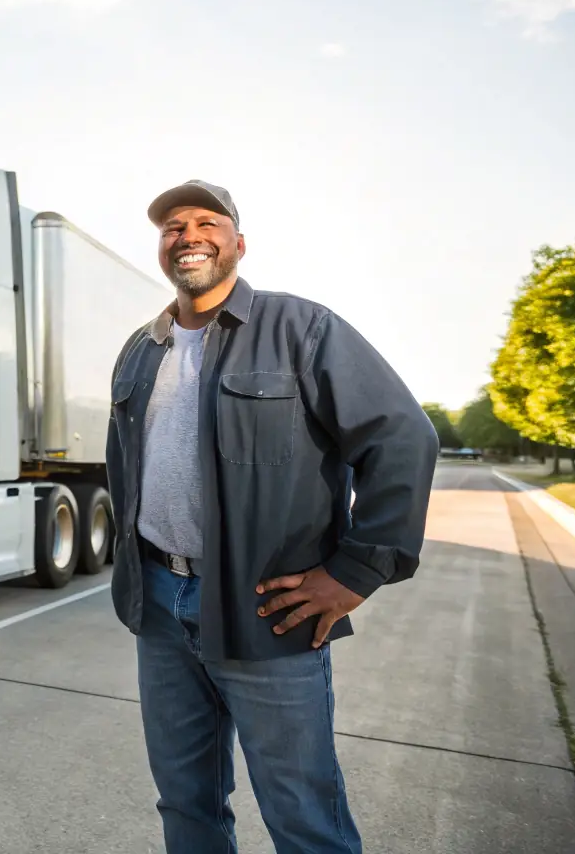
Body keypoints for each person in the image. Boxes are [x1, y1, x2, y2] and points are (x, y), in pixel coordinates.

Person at [104, 179, 438, 854]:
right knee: (185, 801)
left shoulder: (301, 328)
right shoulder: (142, 350)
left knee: (301, 813)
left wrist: (354, 570)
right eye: (172, 226)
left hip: (267, 610)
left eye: (206, 221)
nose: (187, 234)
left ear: (237, 243)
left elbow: (401, 438)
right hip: (162, 608)